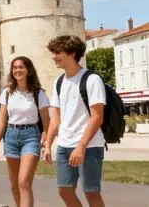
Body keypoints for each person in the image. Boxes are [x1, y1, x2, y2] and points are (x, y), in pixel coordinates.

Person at [43, 35, 106, 207]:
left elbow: (97, 117)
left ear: (71, 53)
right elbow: (56, 118)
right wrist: (48, 144)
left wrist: (81, 146)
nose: (53, 56)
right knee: (64, 191)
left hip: (89, 146)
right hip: (64, 145)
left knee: (91, 192)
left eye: (57, 52)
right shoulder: (59, 82)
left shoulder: (92, 79)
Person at [0, 56, 50, 207]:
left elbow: (46, 120)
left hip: (31, 136)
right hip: (10, 136)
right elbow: (2, 120)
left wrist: (46, 139)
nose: (17, 70)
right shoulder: (7, 92)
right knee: (14, 184)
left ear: (29, 70)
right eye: (14, 67)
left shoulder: (38, 93)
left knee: (24, 181)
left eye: (21, 67)